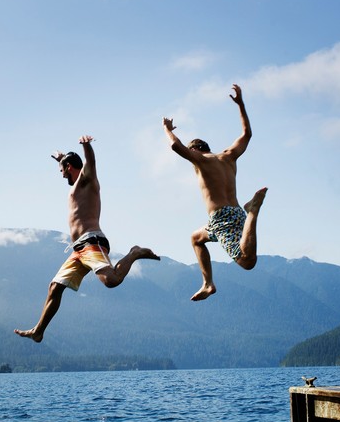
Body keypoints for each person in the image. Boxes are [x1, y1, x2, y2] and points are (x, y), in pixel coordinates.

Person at [15, 135, 160, 342]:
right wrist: (61, 158)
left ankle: (134, 253)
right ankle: (39, 330)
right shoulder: (75, 185)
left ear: (70, 167)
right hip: (78, 248)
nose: (61, 175)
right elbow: (71, 163)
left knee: (111, 281)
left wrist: (86, 146)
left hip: (92, 242)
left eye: (62, 170)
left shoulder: (87, 179)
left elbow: (90, 163)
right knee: (55, 287)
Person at [163, 84, 267, 301]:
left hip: (221, 219)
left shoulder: (200, 160)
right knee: (196, 237)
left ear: (194, 151)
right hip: (233, 213)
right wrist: (241, 104)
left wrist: (168, 129)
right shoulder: (228, 157)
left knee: (247, 261)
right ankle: (208, 283)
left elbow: (175, 146)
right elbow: (247, 133)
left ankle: (253, 212)